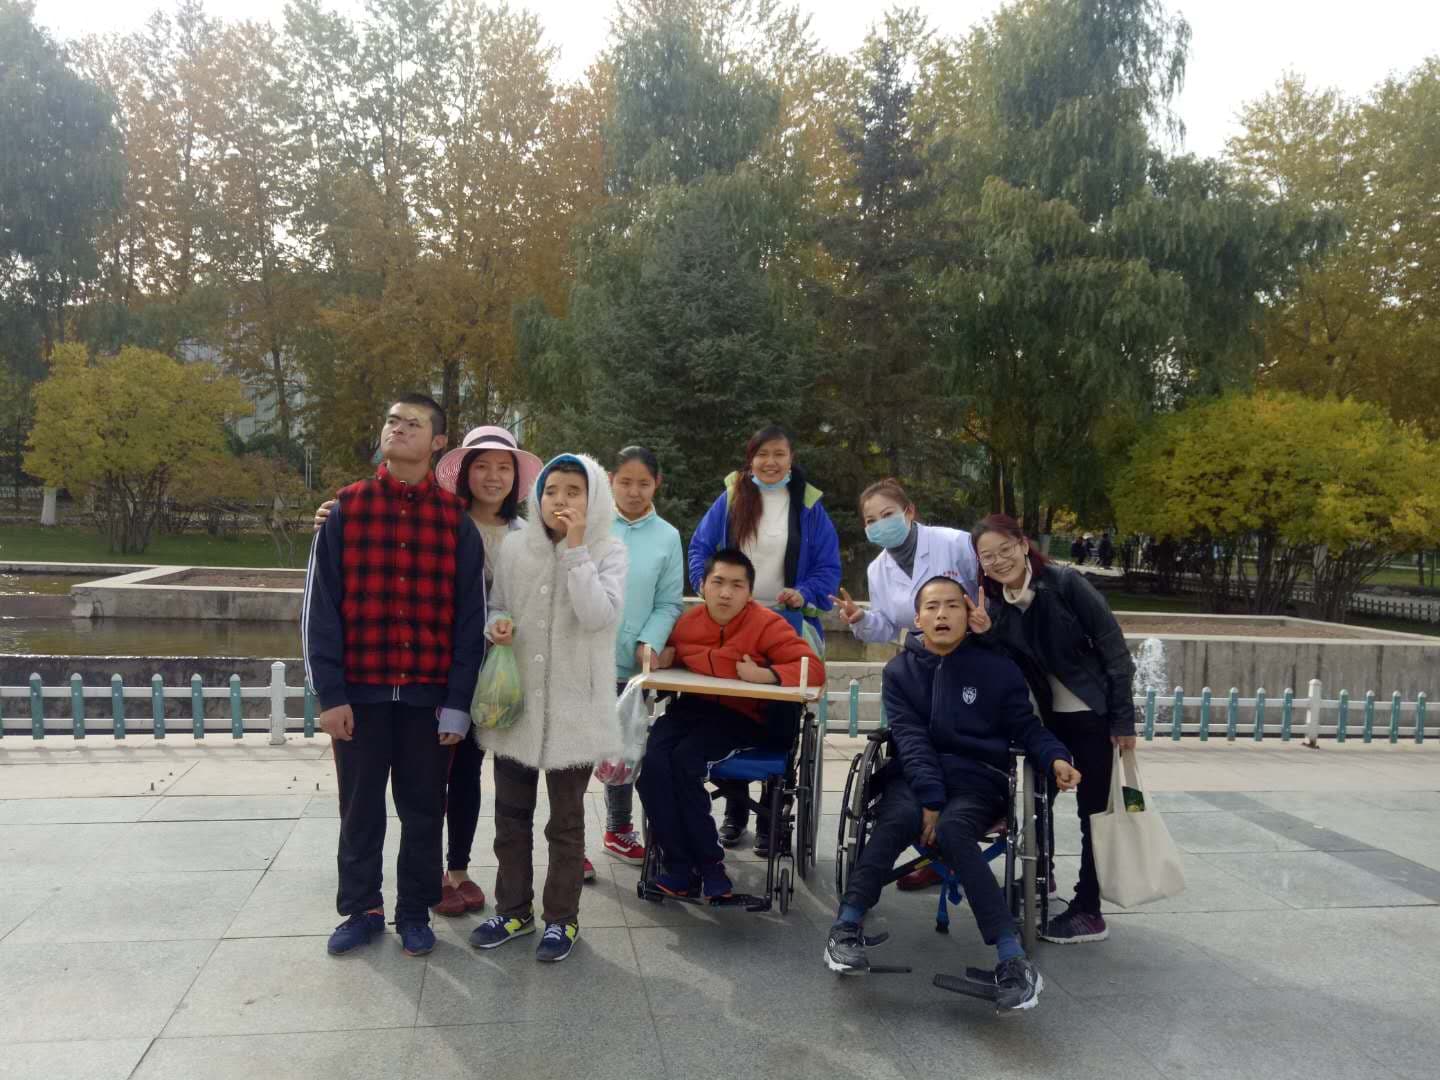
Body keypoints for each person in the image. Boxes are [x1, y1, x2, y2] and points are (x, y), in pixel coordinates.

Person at [314, 424, 546, 912]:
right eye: (481, 465)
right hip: (434, 673)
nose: (492, 475)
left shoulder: (529, 535)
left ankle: (457, 870)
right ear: (462, 472)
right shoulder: (441, 519)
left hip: (497, 675)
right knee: (419, 786)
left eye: (504, 467)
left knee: (467, 783)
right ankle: (388, 896)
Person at [823, 576, 1080, 1012]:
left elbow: (1026, 727)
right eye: (932, 607)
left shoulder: (997, 668)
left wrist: (1056, 757)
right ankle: (845, 929)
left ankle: (1010, 958)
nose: (942, 615)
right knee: (894, 819)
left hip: (977, 779)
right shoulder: (900, 671)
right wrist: (930, 799)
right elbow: (909, 737)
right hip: (913, 776)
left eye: (952, 606)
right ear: (918, 618)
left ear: (969, 615)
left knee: (957, 831)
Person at [303, 394, 487, 959]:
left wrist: (459, 702)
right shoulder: (348, 510)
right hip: (360, 693)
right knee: (359, 808)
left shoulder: (455, 524)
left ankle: (414, 912)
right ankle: (362, 910)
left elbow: (471, 621)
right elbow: (320, 610)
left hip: (428, 701)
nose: (398, 429)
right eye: (391, 420)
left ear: (437, 443)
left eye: (413, 424)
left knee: (423, 809)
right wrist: (329, 695)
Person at [468, 453, 626, 963]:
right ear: (537, 497)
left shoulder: (610, 550)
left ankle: (563, 919)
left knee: (565, 821)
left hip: (575, 709)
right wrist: (498, 626)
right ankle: (513, 909)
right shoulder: (516, 546)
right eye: (552, 490)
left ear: (594, 498)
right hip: (518, 704)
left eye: (574, 492)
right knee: (510, 815)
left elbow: (598, 615)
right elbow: (497, 604)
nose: (561, 501)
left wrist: (576, 550)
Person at [969, 514, 1138, 945]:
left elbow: (1115, 650)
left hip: (1092, 713)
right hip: (1049, 720)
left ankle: (1089, 910)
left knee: (1093, 814)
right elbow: (1008, 665)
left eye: (1005, 549)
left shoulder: (1066, 584)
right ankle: (1041, 877)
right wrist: (988, 635)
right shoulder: (995, 603)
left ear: (1024, 545)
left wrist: (1122, 720)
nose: (998, 560)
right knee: (1038, 800)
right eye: (987, 556)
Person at [636, 548, 824, 899]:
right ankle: (678, 864)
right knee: (652, 767)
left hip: (743, 716)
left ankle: (709, 865)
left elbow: (813, 669)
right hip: (691, 709)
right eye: (718, 582)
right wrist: (666, 656)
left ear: (749, 593)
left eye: (737, 585)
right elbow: (664, 654)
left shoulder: (766, 623)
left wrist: (765, 675)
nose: (726, 593)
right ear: (703, 586)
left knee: (684, 762)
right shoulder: (687, 623)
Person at [687, 424, 840, 848]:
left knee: (780, 715)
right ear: (749, 459)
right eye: (762, 455)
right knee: (727, 709)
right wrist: (707, 585)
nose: (771, 462)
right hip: (732, 623)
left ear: (791, 458)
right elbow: (700, 549)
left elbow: (828, 569)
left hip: (785, 624)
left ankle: (773, 814)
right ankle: (736, 810)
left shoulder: (809, 506)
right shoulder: (733, 498)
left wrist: (804, 593)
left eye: (779, 454)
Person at [602, 446, 686, 866]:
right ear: (610, 481)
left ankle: (618, 828)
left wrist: (650, 641)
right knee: (574, 757)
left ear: (657, 484)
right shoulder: (592, 524)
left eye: (644, 483)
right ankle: (569, 844)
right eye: (625, 482)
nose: (634, 492)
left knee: (624, 747)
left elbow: (669, 602)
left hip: (633, 668)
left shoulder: (667, 536)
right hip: (585, 658)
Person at [829, 479, 979, 645]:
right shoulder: (876, 570)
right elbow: (887, 628)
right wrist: (861, 618)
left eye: (887, 515)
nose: (881, 524)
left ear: (910, 511)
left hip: (973, 644)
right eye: (871, 521)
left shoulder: (956, 543)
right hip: (922, 653)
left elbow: (991, 593)